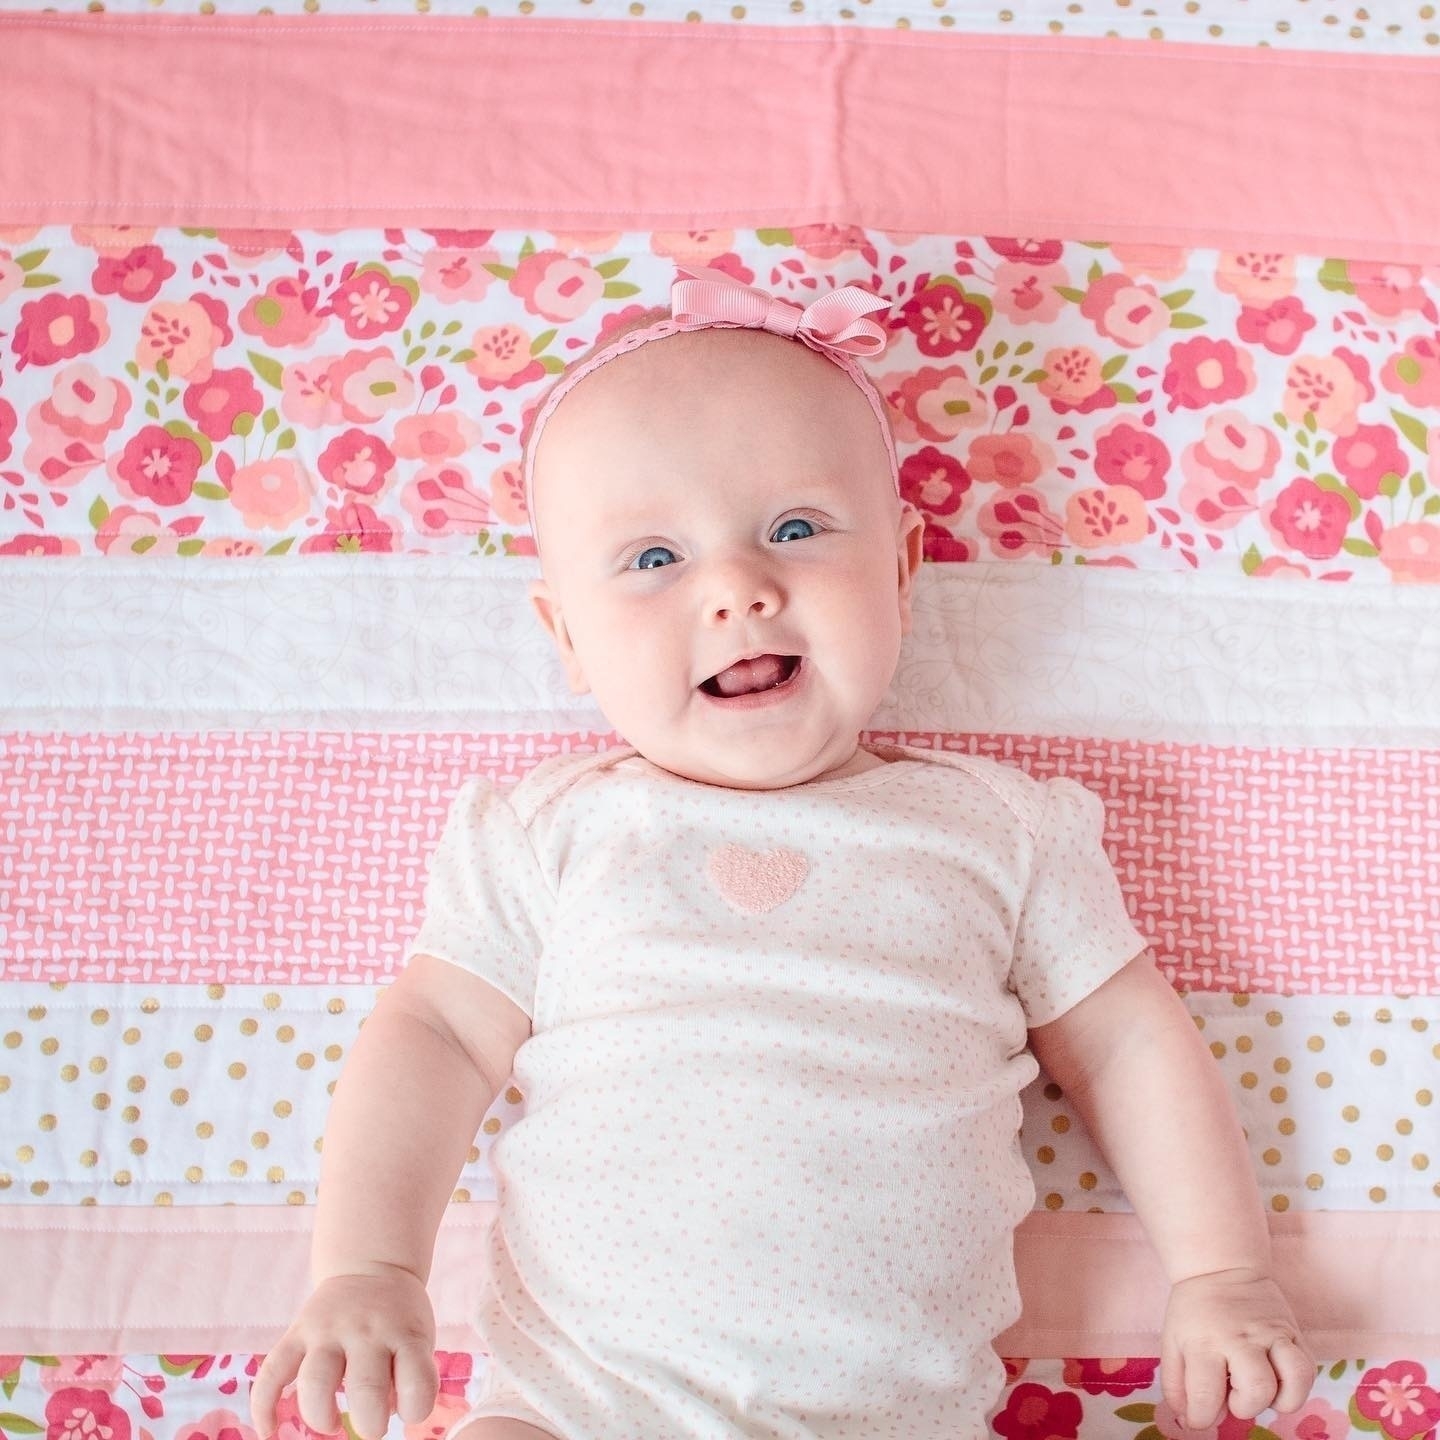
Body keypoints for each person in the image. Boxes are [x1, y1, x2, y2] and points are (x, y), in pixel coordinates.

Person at [249, 265, 1316, 1440]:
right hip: (578, 1405)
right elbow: (437, 1035)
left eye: (795, 531)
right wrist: (367, 1269)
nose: (738, 589)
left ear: (901, 570)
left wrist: (1221, 1270)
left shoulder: (998, 833)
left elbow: (1122, 1042)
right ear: (567, 636)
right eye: (654, 559)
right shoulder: (553, 834)